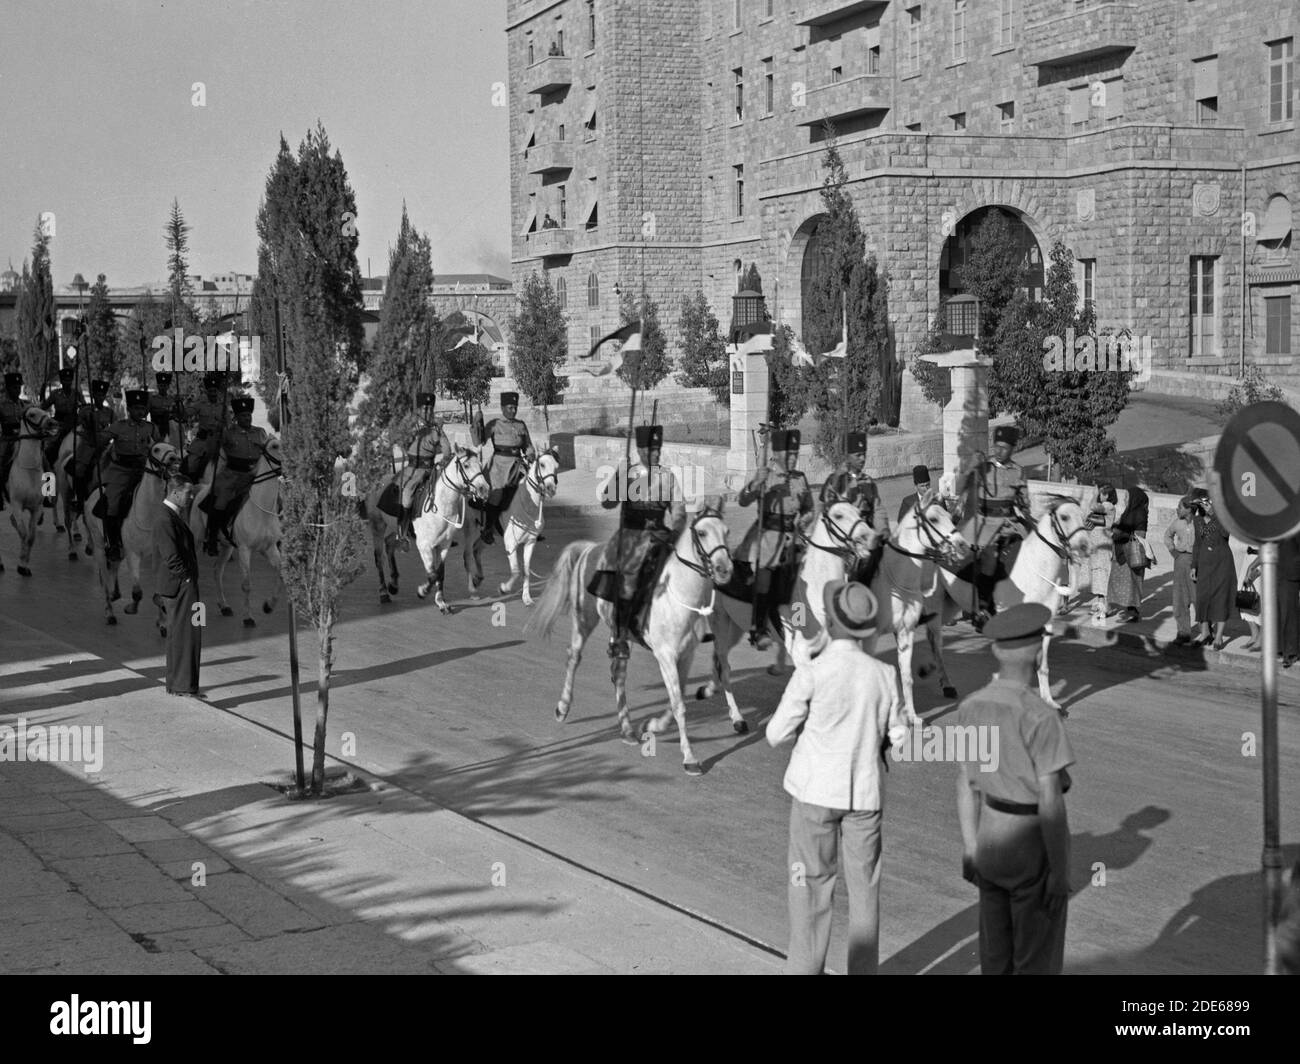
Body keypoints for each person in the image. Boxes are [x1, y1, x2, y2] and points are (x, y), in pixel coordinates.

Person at [767, 579, 907, 975]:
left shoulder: (813, 671)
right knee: (865, 893)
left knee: (810, 889)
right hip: (865, 797)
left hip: (813, 794)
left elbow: (774, 734)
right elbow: (900, 738)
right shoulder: (883, 674)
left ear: (830, 620)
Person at [956, 602, 1073, 975]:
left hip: (989, 838)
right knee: (1034, 960)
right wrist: (1059, 869)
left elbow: (966, 783)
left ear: (995, 650)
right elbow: (1051, 802)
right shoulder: (1040, 715)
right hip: (1029, 846)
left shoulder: (972, 706)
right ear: (1039, 652)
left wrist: (971, 847)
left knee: (994, 957)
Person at [589, 424, 685, 659]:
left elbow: (679, 510)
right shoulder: (629, 474)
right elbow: (607, 503)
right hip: (632, 538)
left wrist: (678, 529)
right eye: (652, 449)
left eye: (658, 449)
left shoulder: (667, 476)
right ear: (641, 450)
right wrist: (618, 477)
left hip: (660, 537)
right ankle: (620, 635)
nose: (656, 454)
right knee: (630, 578)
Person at [738, 428, 815, 649]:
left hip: (794, 539)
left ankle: (799, 624)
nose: (793, 458)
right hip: (768, 539)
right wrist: (755, 485)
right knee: (764, 582)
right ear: (778, 454)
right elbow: (743, 500)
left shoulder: (800, 479)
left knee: (799, 585)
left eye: (795, 454)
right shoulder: (766, 475)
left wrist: (804, 521)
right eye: (789, 454)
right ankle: (758, 629)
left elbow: (809, 508)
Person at [958, 425, 1031, 623]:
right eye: (996, 446)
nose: (999, 451)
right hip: (984, 522)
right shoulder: (984, 467)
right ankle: (983, 608)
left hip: (1009, 522)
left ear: (1012, 449)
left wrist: (1028, 517)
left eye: (1004, 448)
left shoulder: (1018, 472)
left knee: (1032, 549)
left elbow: (1024, 502)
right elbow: (960, 486)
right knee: (988, 556)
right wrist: (968, 467)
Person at [153, 473, 202, 697]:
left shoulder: (171, 515)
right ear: (175, 492)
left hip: (181, 584)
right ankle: (183, 686)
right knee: (185, 635)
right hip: (180, 585)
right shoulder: (165, 518)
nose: (191, 497)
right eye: (187, 493)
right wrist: (186, 577)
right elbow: (170, 555)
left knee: (181, 634)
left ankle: (178, 684)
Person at [820, 430, 889, 585]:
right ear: (848, 457)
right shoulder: (837, 479)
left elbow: (878, 509)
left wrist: (883, 531)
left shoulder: (868, 481)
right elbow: (826, 501)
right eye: (858, 455)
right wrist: (839, 476)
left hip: (867, 533)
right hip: (848, 537)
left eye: (864, 454)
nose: (863, 459)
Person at [100, 390, 162, 563]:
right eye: (136, 409)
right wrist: (98, 433)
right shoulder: (119, 426)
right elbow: (103, 438)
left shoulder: (151, 428)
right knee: (112, 503)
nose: (140, 412)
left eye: (142, 409)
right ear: (129, 409)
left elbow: (159, 448)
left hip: (143, 470)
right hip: (121, 470)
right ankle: (113, 544)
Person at [204, 395, 269, 556]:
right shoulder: (228, 433)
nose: (247, 418)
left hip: (254, 474)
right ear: (236, 418)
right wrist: (216, 434)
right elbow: (213, 449)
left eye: (248, 415)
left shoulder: (260, 432)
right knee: (220, 503)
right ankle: (212, 537)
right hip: (232, 475)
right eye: (243, 416)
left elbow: (267, 451)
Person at [474, 391, 535, 545]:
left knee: (529, 492)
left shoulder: (521, 425)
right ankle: (488, 528)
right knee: (497, 495)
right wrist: (477, 424)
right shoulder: (494, 424)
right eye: (509, 407)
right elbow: (478, 441)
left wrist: (531, 455)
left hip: (517, 465)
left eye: (515, 407)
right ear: (502, 408)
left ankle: (529, 528)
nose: (513, 411)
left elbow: (527, 445)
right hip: (499, 467)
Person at [396, 392, 452, 548]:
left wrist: (445, 458)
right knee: (407, 493)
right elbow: (401, 443)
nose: (427, 412)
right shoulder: (410, 425)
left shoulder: (436, 427)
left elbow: (446, 446)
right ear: (418, 410)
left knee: (449, 490)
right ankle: (402, 532)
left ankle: (446, 530)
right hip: (414, 469)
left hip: (432, 468)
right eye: (424, 409)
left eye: (430, 409)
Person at [1190, 489, 1238, 649]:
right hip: (1204, 562)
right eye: (1201, 503)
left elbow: (1225, 534)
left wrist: (1215, 514)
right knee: (1202, 597)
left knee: (1220, 597)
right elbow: (1197, 544)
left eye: (1206, 502)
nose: (1204, 505)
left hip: (1222, 563)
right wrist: (1193, 565)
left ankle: (1218, 637)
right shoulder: (1197, 521)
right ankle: (1205, 633)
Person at [1107, 484, 1151, 623]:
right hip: (1122, 553)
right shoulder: (1129, 512)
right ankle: (1128, 610)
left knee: (1132, 583)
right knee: (1122, 582)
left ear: (1134, 498)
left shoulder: (1139, 514)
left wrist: (1119, 532)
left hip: (1130, 554)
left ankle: (1132, 613)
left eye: (1127, 497)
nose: (1125, 499)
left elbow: (1140, 534)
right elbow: (1119, 525)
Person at [71, 379, 114, 511]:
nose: (100, 398)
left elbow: (115, 428)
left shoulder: (110, 412)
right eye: (97, 395)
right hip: (89, 445)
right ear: (93, 396)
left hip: (105, 445)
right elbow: (77, 425)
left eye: (102, 395)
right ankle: (79, 499)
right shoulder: (85, 410)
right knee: (79, 470)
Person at [1164, 494, 1198, 644]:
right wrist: (1174, 552)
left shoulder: (1199, 523)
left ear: (1189, 509)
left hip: (1197, 561)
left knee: (1197, 596)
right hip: (1181, 560)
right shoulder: (1177, 523)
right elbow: (1167, 536)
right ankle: (1183, 632)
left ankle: (1206, 630)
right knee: (1180, 597)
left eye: (1180, 507)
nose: (1177, 509)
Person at [184, 372, 227, 480]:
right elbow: (186, 414)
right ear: (207, 391)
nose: (213, 393)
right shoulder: (200, 404)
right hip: (202, 441)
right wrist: (182, 404)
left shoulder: (223, 406)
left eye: (215, 391)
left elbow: (229, 425)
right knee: (191, 462)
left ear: (218, 391)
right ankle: (191, 485)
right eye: (210, 391)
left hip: (218, 441)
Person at [42, 367, 83, 471]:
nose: (67, 382)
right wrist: (42, 396)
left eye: (69, 380)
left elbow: (84, 406)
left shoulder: (76, 393)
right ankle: (49, 467)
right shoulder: (55, 394)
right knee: (50, 447)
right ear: (61, 381)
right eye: (65, 380)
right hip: (58, 423)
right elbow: (43, 407)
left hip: (73, 423)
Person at [0, 371, 25, 511]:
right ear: (8, 388)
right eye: (15, 387)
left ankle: (47, 495)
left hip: (24, 439)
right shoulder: (1, 404)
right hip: (8, 439)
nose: (18, 390)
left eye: (19, 387)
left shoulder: (25, 404)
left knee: (47, 466)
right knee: (0, 463)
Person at [148, 371, 186, 445]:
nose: (163, 388)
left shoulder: (172, 399)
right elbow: (145, 412)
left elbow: (181, 414)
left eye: (165, 385)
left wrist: (179, 403)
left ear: (168, 386)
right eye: (161, 385)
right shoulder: (152, 399)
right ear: (158, 386)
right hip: (156, 429)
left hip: (171, 431)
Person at [1279, 533, 1300, 667]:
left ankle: (1290, 651)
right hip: (1285, 572)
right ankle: (1288, 651)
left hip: (1292, 571)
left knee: (1290, 613)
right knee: (1287, 613)